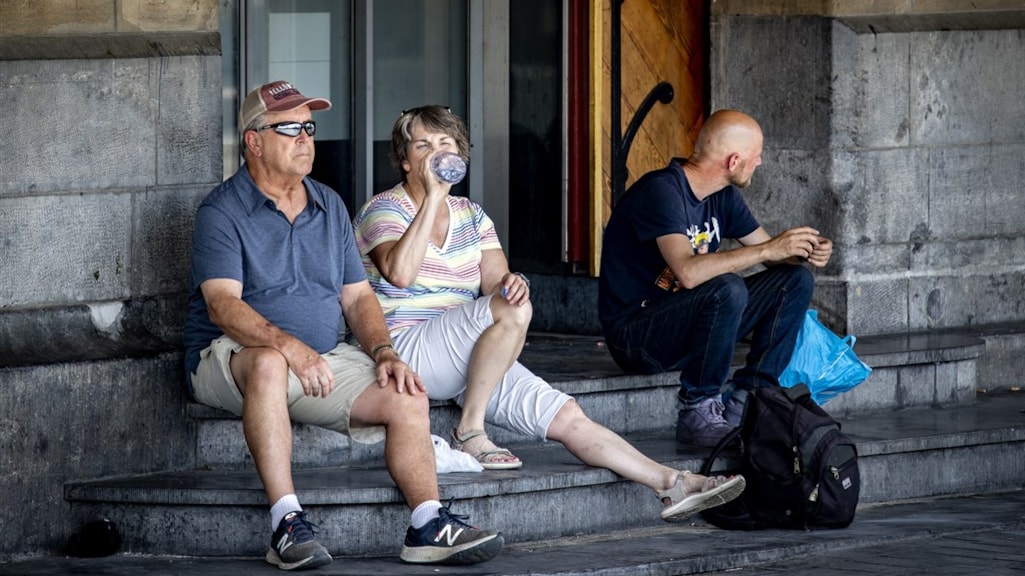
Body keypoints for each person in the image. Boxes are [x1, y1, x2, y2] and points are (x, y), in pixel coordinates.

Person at [352, 105, 745, 523]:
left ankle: (671, 483)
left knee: (567, 415)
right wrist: (432, 198)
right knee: (509, 310)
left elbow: (496, 284)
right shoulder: (384, 208)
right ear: (405, 159)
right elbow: (399, 273)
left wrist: (513, 282)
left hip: (468, 353)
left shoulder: (472, 215)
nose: (436, 153)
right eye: (423, 145)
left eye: (445, 144)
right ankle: (470, 429)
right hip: (406, 351)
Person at [183, 83, 503, 570]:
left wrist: (384, 352)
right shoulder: (222, 210)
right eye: (288, 128)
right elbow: (222, 306)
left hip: (323, 357)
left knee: (406, 390)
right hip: (232, 356)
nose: (305, 138)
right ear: (253, 141)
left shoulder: (328, 204)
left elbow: (356, 297)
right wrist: (291, 348)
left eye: (309, 128)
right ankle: (286, 524)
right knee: (269, 363)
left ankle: (428, 522)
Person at [598, 109, 833, 448]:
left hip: (690, 327)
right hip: (638, 338)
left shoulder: (722, 196)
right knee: (726, 287)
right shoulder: (662, 191)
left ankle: (750, 397)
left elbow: (771, 253)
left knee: (794, 280)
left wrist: (808, 250)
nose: (760, 162)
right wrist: (768, 250)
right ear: (734, 160)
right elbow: (688, 273)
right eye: (756, 156)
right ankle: (698, 407)